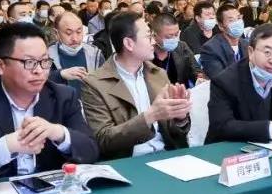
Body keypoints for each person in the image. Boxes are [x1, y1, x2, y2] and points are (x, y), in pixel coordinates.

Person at [0, 22, 98, 187]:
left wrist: (58, 133)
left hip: (53, 193)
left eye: (44, 61)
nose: (39, 70)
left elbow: (91, 150)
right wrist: (8, 146)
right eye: (29, 62)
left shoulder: (64, 96)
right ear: (0, 66)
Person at [80, 12, 191, 160]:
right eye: (148, 36)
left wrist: (179, 117)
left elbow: (174, 133)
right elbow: (103, 140)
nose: (153, 42)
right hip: (128, 161)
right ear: (129, 44)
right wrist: (150, 116)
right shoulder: (95, 84)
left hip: (166, 155)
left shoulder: (158, 74)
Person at [206, 23, 272, 144]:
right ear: (251, 52)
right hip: (230, 149)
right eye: (267, 52)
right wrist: (269, 129)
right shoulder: (225, 81)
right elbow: (222, 126)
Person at [48, 11, 104, 94]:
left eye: (79, 32)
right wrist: (60, 75)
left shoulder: (95, 54)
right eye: (68, 33)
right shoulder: (46, 56)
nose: (75, 38)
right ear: (56, 33)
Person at [199, 3, 249, 80]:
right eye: (231, 20)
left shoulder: (246, 44)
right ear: (221, 26)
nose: (237, 23)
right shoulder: (210, 49)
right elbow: (221, 79)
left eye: (238, 18)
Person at [150, 13, 200, 87]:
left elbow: (195, 69)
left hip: (182, 91)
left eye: (176, 35)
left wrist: (199, 78)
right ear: (154, 36)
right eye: (169, 36)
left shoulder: (182, 47)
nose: (174, 39)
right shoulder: (146, 54)